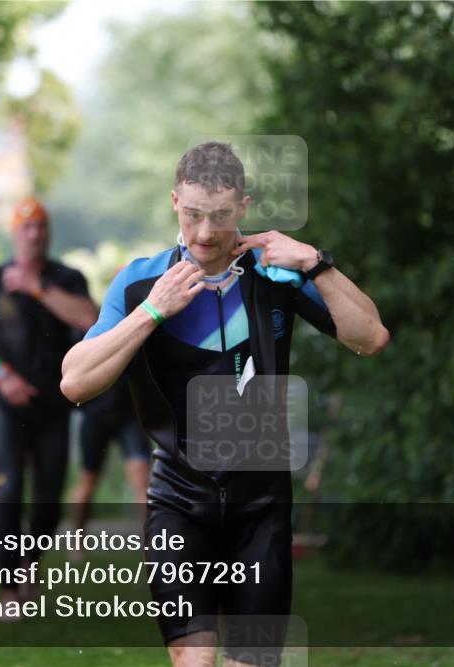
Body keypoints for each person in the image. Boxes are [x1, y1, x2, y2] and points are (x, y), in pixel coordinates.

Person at [60, 142, 389, 667]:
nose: (205, 233)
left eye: (219, 216)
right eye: (192, 215)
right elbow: (75, 382)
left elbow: (371, 337)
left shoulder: (276, 275)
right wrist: (151, 311)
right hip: (178, 502)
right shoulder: (142, 281)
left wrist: (316, 264)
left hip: (260, 506)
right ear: (174, 204)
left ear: (242, 207)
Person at [0, 196, 97, 619]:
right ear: (15, 234)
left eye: (41, 228)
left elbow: (90, 319)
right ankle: (9, 588)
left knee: (48, 501)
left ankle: (30, 561)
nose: (34, 234)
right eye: (26, 228)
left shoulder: (67, 277)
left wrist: (37, 288)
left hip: (54, 400)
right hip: (4, 400)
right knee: (8, 488)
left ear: (47, 234)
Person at [68, 373, 152, 558]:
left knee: (142, 477)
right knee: (88, 482)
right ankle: (76, 539)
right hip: (96, 415)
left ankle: (151, 544)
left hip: (130, 416)